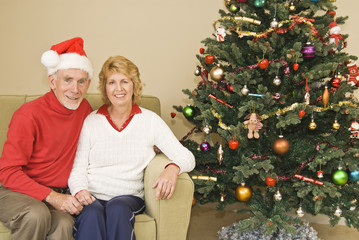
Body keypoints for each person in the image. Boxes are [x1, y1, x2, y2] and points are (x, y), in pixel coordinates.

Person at [68, 55, 195, 240]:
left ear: (134, 85)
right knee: (90, 214)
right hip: (92, 195)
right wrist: (80, 190)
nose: (118, 88)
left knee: (117, 209)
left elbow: (187, 157)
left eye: (124, 81)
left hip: (127, 197)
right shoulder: (92, 121)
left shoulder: (150, 121)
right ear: (105, 87)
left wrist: (172, 168)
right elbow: (78, 168)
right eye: (111, 82)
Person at [0, 37, 93, 240]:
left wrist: (151, 144)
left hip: (55, 194)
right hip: (16, 191)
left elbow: (113, 127)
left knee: (64, 224)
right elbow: (7, 172)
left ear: (88, 85)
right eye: (67, 80)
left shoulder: (85, 110)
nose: (74, 90)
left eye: (81, 82)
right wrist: (53, 197)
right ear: (52, 81)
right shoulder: (28, 115)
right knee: (36, 214)